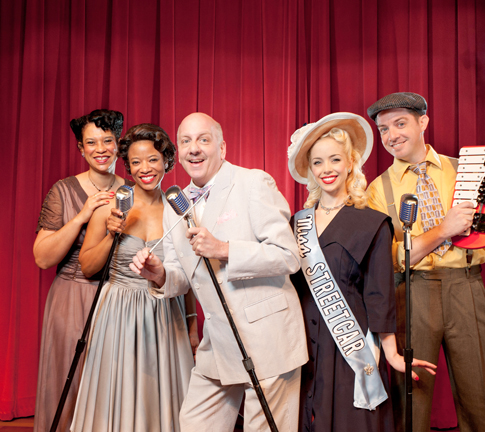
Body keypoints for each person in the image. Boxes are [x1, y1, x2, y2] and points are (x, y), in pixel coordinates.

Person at [130, 112, 308, 432]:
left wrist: (224, 249)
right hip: (218, 344)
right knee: (195, 424)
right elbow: (181, 276)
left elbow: (288, 256)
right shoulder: (176, 204)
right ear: (179, 152)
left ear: (222, 148)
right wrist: (158, 274)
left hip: (268, 339)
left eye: (203, 140)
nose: (194, 148)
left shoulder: (253, 182)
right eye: (186, 141)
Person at [365, 92, 485, 432]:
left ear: (423, 122)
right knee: (411, 398)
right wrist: (441, 231)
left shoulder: (464, 171)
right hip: (411, 294)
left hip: (465, 286)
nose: (392, 135)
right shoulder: (377, 190)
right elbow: (386, 260)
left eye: (400, 123)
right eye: (383, 129)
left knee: (481, 390)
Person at [287, 112, 436, 432]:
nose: (327, 169)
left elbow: (379, 294)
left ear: (350, 163)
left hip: (350, 345)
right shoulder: (297, 223)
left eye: (335, 159)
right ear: (310, 171)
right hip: (304, 345)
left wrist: (392, 353)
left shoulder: (373, 223)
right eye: (318, 163)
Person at [71, 124, 196, 432]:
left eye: (152, 160)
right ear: (127, 166)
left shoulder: (179, 211)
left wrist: (193, 325)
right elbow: (87, 267)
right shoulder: (110, 207)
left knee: (163, 398)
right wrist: (112, 234)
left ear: (166, 161)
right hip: (117, 313)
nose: (145, 169)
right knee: (118, 392)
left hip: (166, 315)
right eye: (136, 162)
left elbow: (188, 275)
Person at [33, 109, 128, 432]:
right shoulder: (63, 191)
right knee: (68, 386)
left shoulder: (132, 189)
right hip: (72, 297)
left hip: (117, 298)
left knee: (111, 389)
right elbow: (43, 258)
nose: (100, 149)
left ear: (118, 145)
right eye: (91, 142)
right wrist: (82, 216)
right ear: (80, 149)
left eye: (107, 141)